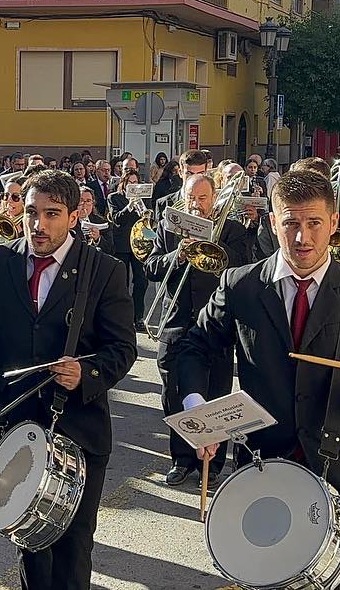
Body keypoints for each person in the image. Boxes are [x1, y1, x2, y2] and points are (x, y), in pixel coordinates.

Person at [177, 170, 340, 590]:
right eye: (291, 224)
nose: (303, 238)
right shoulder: (240, 284)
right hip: (262, 468)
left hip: (339, 470)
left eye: (314, 223)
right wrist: (197, 410)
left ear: (334, 224)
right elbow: (194, 346)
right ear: (271, 223)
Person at [0, 169, 136, 590]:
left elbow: (122, 349)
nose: (38, 224)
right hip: (18, 424)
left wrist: (86, 372)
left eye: (51, 214)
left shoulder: (103, 270)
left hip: (79, 428)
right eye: (31, 212)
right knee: (30, 543)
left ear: (73, 216)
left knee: (71, 548)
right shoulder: (1, 260)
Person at [143, 172, 253, 486]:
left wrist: (211, 247)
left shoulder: (230, 229)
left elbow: (242, 267)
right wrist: (176, 256)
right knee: (175, 395)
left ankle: (214, 464)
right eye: (192, 197)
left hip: (216, 326)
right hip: (175, 324)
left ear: (214, 197)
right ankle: (181, 459)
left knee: (216, 394)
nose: (196, 204)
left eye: (202, 198)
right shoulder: (168, 227)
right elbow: (150, 267)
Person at [105, 170, 146, 328]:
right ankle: (123, 317)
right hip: (122, 244)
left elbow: (148, 219)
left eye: (136, 182)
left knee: (141, 282)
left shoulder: (143, 198)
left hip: (138, 244)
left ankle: (139, 316)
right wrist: (129, 206)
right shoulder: (114, 197)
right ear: (124, 183)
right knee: (123, 283)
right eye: (130, 182)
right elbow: (116, 219)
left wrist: (141, 208)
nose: (133, 185)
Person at [76, 186, 115, 256]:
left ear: (92, 204)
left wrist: (98, 239)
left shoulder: (102, 222)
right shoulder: (68, 221)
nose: (84, 205)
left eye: (88, 201)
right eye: (81, 201)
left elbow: (110, 250)